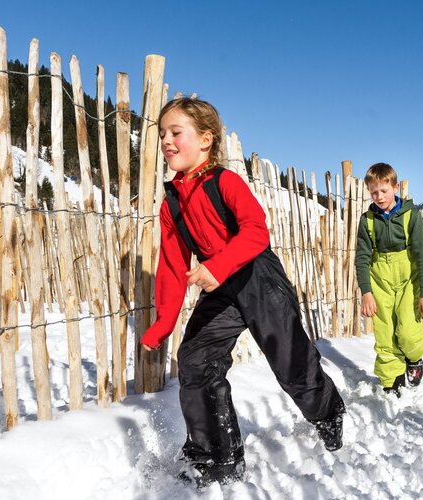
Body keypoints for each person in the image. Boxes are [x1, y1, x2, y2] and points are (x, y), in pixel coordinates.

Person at [139, 97, 345, 488]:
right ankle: (216, 455)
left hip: (257, 277)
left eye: (175, 132)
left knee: (290, 362)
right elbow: (170, 264)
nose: (166, 140)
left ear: (205, 140)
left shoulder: (225, 182)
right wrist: (163, 324)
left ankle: (328, 413)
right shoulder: (173, 204)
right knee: (196, 359)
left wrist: (216, 266)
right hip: (221, 287)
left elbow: (255, 231)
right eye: (162, 133)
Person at [355, 163, 423, 395]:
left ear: (395, 187)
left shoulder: (410, 216)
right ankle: (391, 380)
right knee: (385, 331)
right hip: (380, 279)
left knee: (408, 330)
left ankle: (414, 357)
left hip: (409, 278)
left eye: (384, 191)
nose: (379, 197)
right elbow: (361, 258)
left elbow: (421, 254)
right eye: (374, 192)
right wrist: (366, 292)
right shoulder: (367, 220)